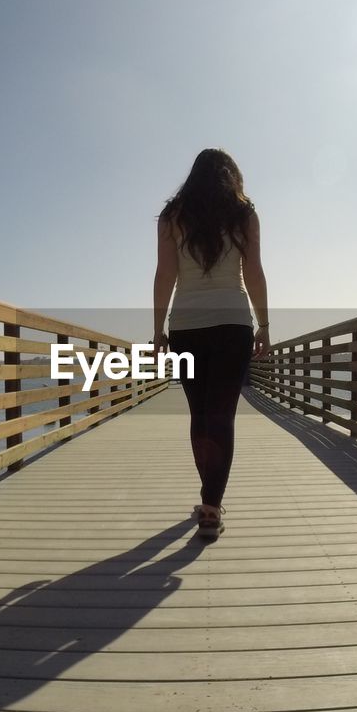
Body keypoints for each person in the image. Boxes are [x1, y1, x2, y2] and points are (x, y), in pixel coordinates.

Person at [153, 148, 270, 542]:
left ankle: (208, 500)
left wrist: (158, 330)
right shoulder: (243, 214)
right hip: (233, 324)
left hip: (186, 326)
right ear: (232, 176)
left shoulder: (173, 216)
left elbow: (165, 275)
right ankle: (211, 505)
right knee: (222, 416)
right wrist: (265, 325)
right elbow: (252, 272)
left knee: (199, 415)